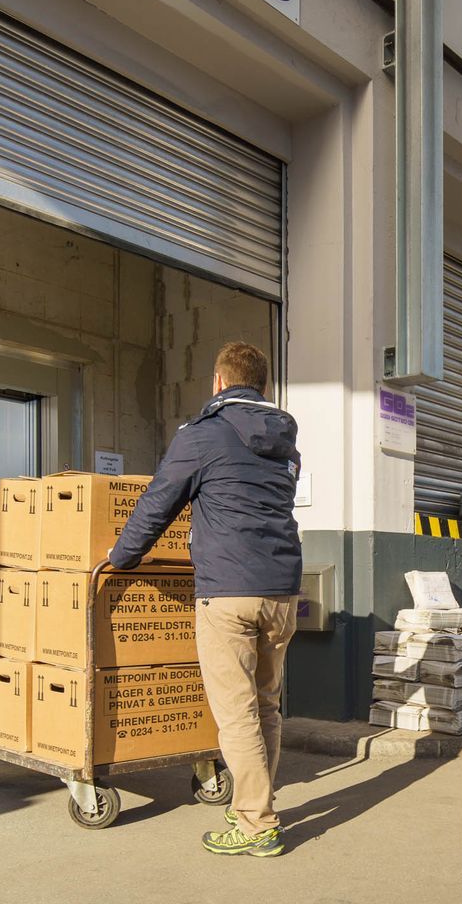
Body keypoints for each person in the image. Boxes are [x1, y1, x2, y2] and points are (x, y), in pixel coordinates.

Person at [108, 341, 301, 859]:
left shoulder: (203, 435)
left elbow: (157, 503)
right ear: (261, 386)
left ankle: (257, 823)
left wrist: (121, 558)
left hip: (230, 592)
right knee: (266, 706)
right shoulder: (285, 442)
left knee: (237, 712)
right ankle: (257, 805)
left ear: (219, 383)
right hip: (282, 591)